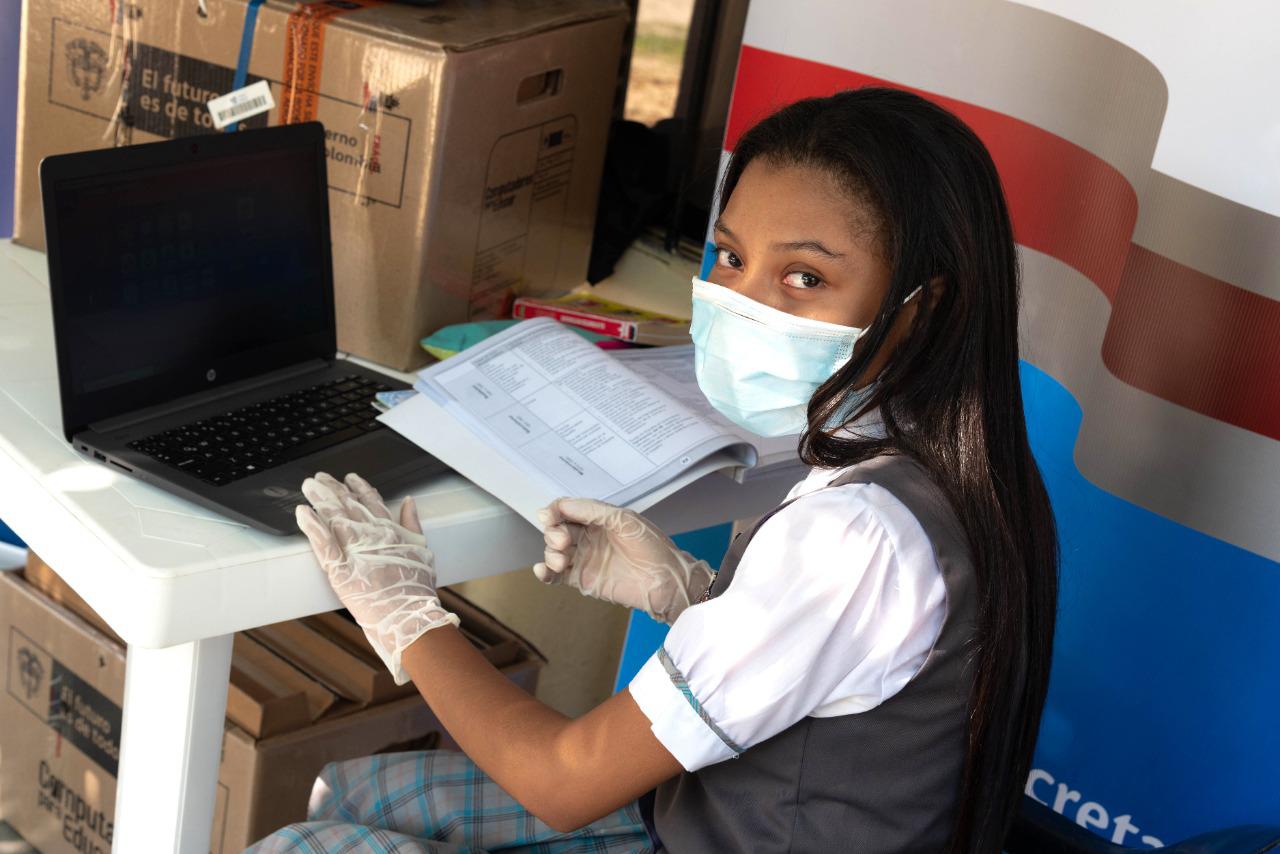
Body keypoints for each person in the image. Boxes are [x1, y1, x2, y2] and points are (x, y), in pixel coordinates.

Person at [250, 87, 1059, 853]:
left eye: (805, 278)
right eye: (732, 258)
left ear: (924, 308)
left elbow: (562, 782)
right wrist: (700, 601)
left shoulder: (856, 535)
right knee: (360, 793)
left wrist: (406, 615)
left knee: (306, 844)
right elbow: (841, 665)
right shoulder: (955, 456)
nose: (743, 301)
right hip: (713, 819)